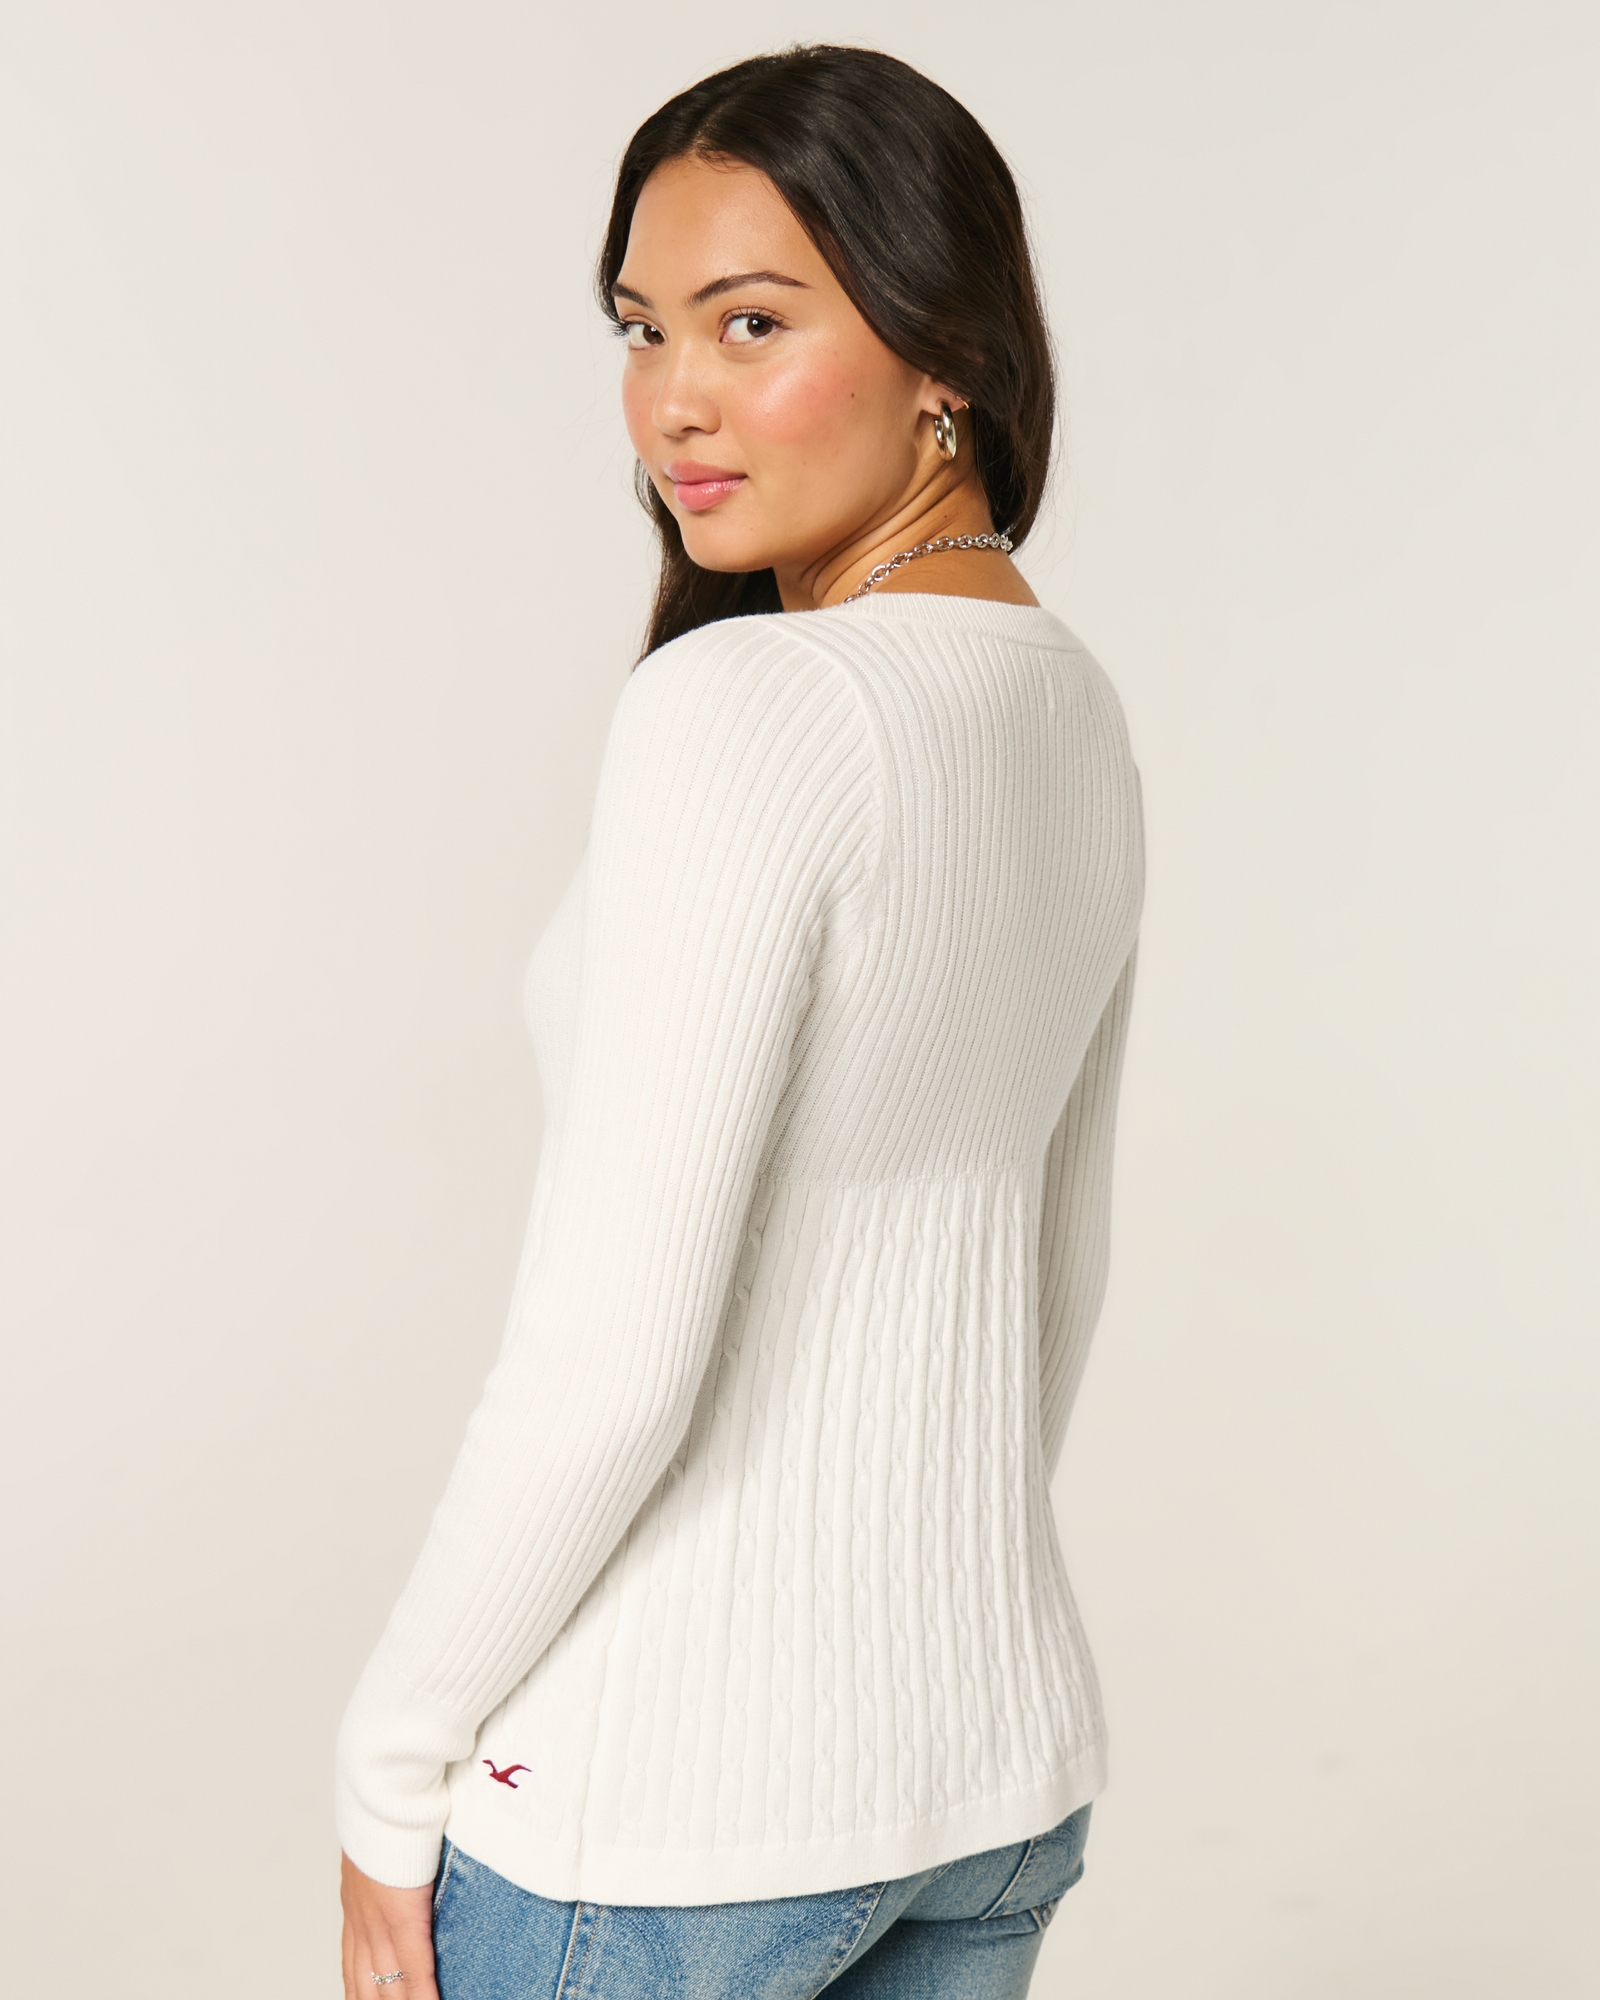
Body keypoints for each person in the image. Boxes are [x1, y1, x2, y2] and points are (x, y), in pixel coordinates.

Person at [336, 43, 1143, 2000]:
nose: (671, 399)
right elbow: (1055, 1270)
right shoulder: (1065, 705)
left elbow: (612, 1358)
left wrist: (390, 1763)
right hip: (986, 1776)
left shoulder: (746, 707)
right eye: (641, 328)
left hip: (667, 1819)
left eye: (750, 321)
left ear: (944, 352)